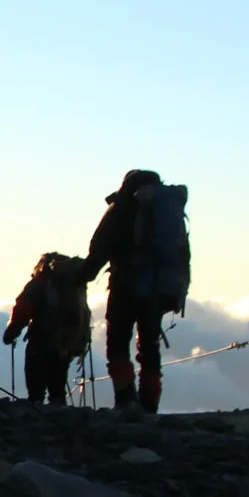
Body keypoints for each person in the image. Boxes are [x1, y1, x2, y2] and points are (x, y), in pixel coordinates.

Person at [82, 169, 185, 414]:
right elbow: (181, 253)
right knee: (149, 346)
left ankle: (126, 398)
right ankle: (150, 403)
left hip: (125, 286)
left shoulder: (122, 208)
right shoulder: (169, 212)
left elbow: (100, 247)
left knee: (118, 343)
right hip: (157, 289)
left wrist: (83, 276)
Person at [4, 251, 90, 405]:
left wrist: (13, 330)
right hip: (66, 344)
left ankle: (37, 410)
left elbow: (24, 307)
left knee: (36, 384)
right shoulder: (73, 286)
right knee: (58, 384)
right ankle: (59, 410)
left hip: (40, 340)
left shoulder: (40, 283)